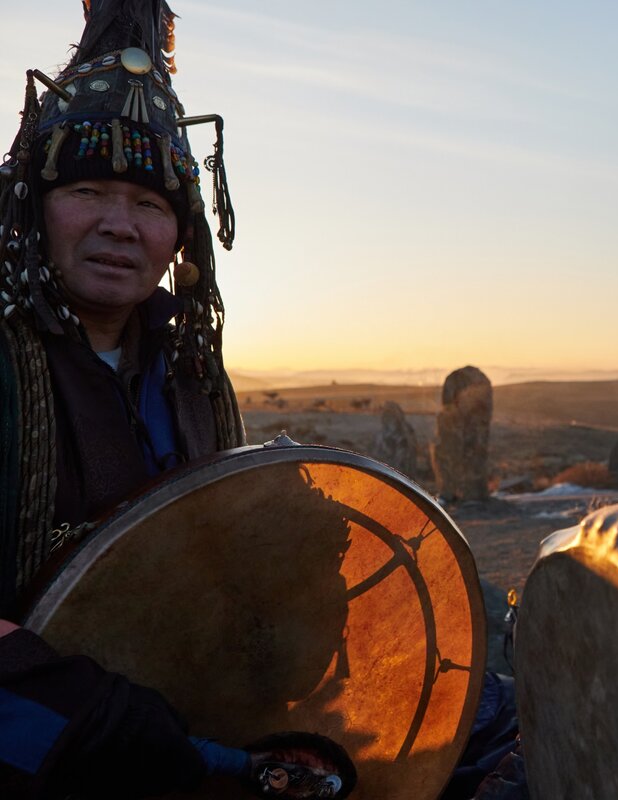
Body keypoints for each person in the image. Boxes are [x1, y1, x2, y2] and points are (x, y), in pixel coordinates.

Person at [0, 2, 355, 796]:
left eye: (151, 204)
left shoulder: (190, 369)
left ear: (181, 235)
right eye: (87, 190)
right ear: (32, 206)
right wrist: (121, 732)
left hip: (195, 726)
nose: (120, 225)